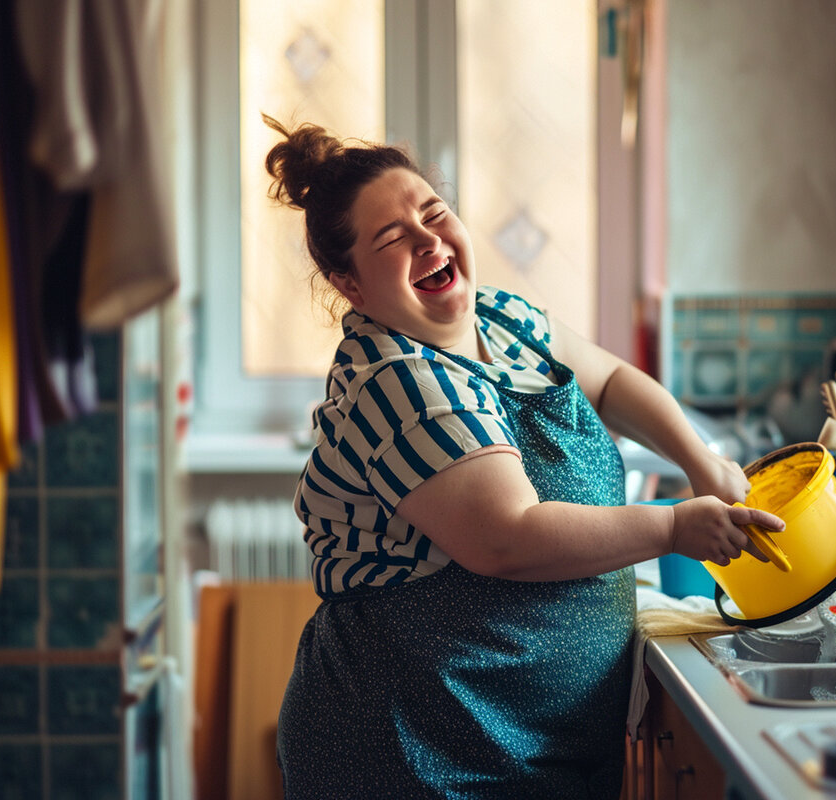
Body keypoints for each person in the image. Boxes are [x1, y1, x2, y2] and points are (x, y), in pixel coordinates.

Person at [266, 115, 783, 799]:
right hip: (415, 751)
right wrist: (671, 526)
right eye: (392, 239)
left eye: (433, 214)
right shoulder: (394, 381)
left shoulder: (501, 319)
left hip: (530, 742)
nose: (427, 240)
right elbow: (506, 540)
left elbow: (609, 381)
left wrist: (700, 456)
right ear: (352, 285)